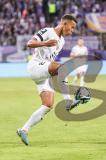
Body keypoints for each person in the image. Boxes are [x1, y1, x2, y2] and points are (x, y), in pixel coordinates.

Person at [17, 14, 82, 146]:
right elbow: (30, 43)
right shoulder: (47, 31)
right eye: (72, 27)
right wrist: (45, 43)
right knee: (61, 68)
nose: (72, 30)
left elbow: (51, 61)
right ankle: (68, 101)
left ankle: (23, 129)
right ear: (64, 24)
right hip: (35, 66)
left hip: (44, 71)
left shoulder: (62, 41)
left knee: (47, 105)